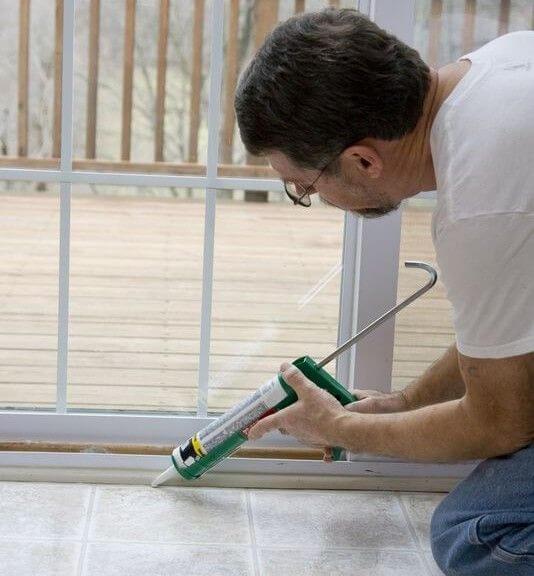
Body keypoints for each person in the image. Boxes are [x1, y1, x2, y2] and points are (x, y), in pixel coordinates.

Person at [234, 8, 534, 576]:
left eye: (305, 186)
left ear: (363, 160)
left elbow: (504, 420)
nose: (311, 198)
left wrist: (339, 427)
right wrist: (407, 404)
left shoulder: (482, 205)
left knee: (476, 534)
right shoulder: (504, 62)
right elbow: (514, 332)